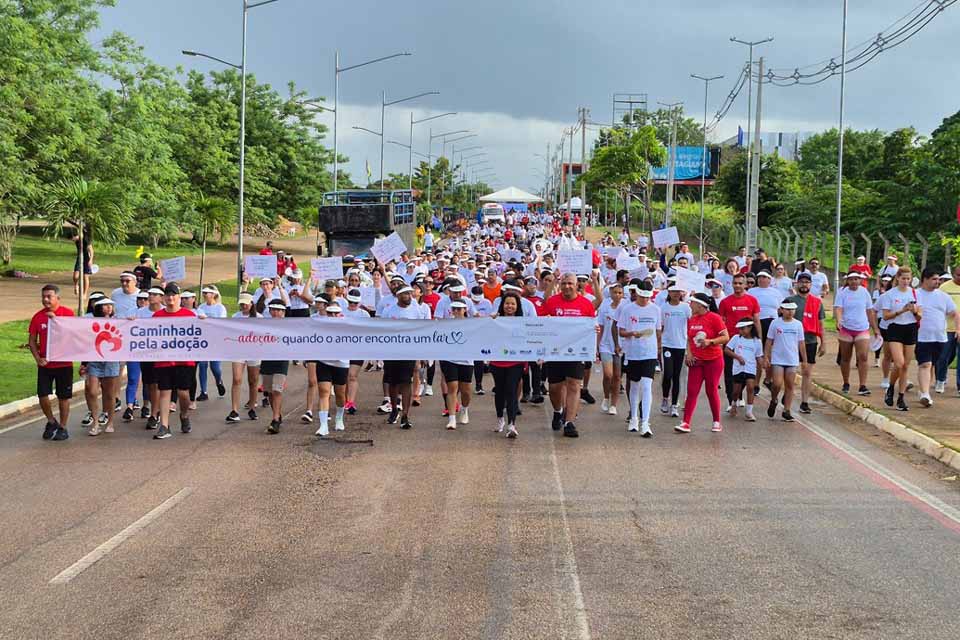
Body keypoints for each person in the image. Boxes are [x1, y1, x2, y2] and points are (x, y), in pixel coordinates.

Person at [543, 273, 597, 438]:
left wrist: (595, 330)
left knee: (574, 385)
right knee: (554, 388)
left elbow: (591, 325)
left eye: (570, 283)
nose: (567, 286)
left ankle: (569, 422)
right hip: (555, 352)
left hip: (576, 352)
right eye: (564, 283)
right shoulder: (552, 302)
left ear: (577, 285)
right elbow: (543, 319)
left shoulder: (586, 304)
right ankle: (558, 411)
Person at [676, 293, 728, 433]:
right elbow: (689, 339)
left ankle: (716, 421)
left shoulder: (714, 318)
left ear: (700, 305)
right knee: (692, 391)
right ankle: (685, 422)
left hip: (713, 360)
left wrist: (710, 342)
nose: (690, 305)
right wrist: (689, 354)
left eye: (692, 302)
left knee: (711, 390)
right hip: (697, 361)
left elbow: (725, 337)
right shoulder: (692, 320)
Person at [614, 284, 661, 436]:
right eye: (642, 297)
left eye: (648, 297)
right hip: (633, 353)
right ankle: (633, 417)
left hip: (650, 353)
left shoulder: (656, 309)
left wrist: (658, 350)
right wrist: (631, 333)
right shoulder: (627, 309)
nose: (645, 300)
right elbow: (620, 331)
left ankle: (645, 422)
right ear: (636, 294)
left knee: (647, 386)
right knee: (634, 386)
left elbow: (658, 331)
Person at [29, 284, 75, 441]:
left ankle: (63, 426)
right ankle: (51, 421)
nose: (46, 299)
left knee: (63, 396)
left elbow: (75, 335)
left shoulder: (67, 314)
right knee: (42, 394)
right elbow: (32, 340)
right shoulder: (38, 317)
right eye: (44, 296)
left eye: (49, 296)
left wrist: (58, 321)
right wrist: (37, 358)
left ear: (58, 298)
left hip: (63, 364)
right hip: (45, 364)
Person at [152, 283, 197, 440]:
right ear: (164, 298)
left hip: (184, 361)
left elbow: (199, 334)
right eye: (168, 295)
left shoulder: (189, 316)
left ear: (179, 297)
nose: (170, 298)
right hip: (164, 360)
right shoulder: (157, 317)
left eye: (174, 295)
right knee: (164, 391)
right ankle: (164, 425)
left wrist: (204, 321)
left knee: (183, 393)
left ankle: (184, 415)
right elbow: (146, 334)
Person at [915, 267, 957, 407]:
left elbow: (954, 313)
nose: (937, 282)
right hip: (921, 336)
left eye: (939, 279)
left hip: (940, 336)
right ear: (924, 279)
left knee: (931, 364)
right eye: (934, 279)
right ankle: (926, 394)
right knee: (925, 364)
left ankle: (923, 390)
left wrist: (958, 328)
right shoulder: (916, 294)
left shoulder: (943, 296)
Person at [879, 267, 920, 411]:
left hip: (910, 328)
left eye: (908, 279)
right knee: (899, 363)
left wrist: (915, 311)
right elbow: (885, 316)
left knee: (906, 366)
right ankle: (891, 387)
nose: (906, 281)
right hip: (895, 328)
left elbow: (920, 315)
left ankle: (901, 397)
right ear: (897, 278)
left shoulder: (915, 293)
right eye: (903, 278)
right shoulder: (889, 295)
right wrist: (902, 310)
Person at [380, 286, 421, 429]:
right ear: (398, 296)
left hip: (409, 351)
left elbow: (422, 330)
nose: (409, 296)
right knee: (392, 382)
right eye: (405, 294)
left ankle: (405, 415)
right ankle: (394, 409)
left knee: (406, 382)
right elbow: (382, 330)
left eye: (410, 293)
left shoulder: (416, 310)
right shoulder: (389, 310)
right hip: (391, 351)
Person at [718, 274, 761, 409]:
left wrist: (759, 338)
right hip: (731, 341)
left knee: (746, 372)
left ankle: (740, 396)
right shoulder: (725, 302)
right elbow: (721, 323)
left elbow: (756, 320)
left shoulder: (752, 300)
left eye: (740, 283)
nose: (737, 286)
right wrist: (720, 341)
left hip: (748, 342)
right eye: (735, 283)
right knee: (730, 372)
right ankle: (731, 401)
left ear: (745, 285)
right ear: (732, 284)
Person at [786, 273, 826, 414]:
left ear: (810, 284)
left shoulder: (817, 302)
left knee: (807, 372)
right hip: (791, 341)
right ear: (797, 283)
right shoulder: (790, 300)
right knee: (790, 371)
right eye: (801, 282)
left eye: (807, 282)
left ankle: (804, 402)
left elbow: (821, 323)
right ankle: (788, 394)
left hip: (810, 340)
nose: (804, 284)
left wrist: (823, 342)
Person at [833, 272, 878, 395]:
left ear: (860, 280)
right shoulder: (842, 293)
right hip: (846, 328)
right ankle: (846, 382)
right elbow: (839, 308)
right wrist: (839, 320)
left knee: (863, 356)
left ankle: (862, 385)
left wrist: (875, 328)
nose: (854, 282)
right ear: (848, 280)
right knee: (846, 357)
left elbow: (869, 311)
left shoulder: (864, 292)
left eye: (856, 279)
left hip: (862, 328)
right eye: (851, 279)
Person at [310, 304, 350, 436]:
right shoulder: (319, 326)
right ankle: (323, 426)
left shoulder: (347, 326)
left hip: (341, 363)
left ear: (340, 314)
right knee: (324, 391)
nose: (333, 316)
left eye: (336, 313)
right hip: (324, 361)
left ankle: (339, 417)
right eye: (330, 313)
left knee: (340, 394)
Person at [490, 293, 526, 438]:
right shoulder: (495, 320)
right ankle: (500, 419)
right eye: (507, 303)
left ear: (517, 307)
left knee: (511, 390)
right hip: (497, 361)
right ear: (502, 305)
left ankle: (512, 424)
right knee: (500, 391)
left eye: (512, 304)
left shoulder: (523, 322)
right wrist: (490, 322)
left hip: (516, 362)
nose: (509, 306)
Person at [84, 298, 121, 436]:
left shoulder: (118, 321)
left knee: (109, 394)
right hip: (94, 361)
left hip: (111, 361)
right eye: (105, 305)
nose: (109, 308)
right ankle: (95, 423)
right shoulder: (90, 322)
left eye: (110, 305)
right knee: (92, 391)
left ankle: (110, 421)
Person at [764, 301, 806, 422]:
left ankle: (786, 410)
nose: (790, 312)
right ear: (781, 310)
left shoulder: (798, 324)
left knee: (789, 385)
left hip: (792, 359)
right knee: (777, 384)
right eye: (787, 309)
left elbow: (801, 343)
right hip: (778, 358)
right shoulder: (775, 323)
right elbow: (769, 340)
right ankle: (774, 399)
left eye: (792, 310)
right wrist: (766, 356)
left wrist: (804, 360)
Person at [226, 293, 262, 423]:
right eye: (242, 303)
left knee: (253, 380)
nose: (244, 305)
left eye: (246, 303)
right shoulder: (236, 316)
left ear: (252, 303)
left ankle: (252, 407)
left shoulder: (259, 318)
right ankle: (234, 410)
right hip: (238, 350)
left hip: (254, 351)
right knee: (236, 379)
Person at [111, 271, 141, 421]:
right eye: (122, 280)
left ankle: (133, 397)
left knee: (134, 370)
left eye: (127, 281)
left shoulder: (141, 296)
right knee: (118, 368)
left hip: (135, 337)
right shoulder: (115, 294)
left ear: (134, 282)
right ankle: (116, 398)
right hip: (118, 335)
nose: (124, 283)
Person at [439, 300, 474, 430]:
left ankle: (464, 410)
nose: (456, 312)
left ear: (465, 310)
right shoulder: (446, 324)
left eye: (459, 309)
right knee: (452, 387)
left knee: (466, 390)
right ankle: (452, 418)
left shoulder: (472, 324)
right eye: (454, 309)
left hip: (466, 360)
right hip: (450, 359)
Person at [659, 285, 691, 418]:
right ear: (669, 292)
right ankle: (665, 398)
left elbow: (691, 325)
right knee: (668, 374)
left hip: (681, 345)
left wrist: (689, 347)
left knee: (677, 376)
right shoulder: (663, 307)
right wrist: (658, 344)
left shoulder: (685, 307)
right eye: (673, 291)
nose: (676, 294)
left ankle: (674, 405)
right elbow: (660, 327)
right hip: (667, 345)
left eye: (678, 291)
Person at [725, 320, 764, 421]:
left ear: (750, 328)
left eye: (743, 329)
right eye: (739, 329)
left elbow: (758, 356)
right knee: (736, 391)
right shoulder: (736, 338)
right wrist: (737, 357)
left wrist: (763, 363)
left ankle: (749, 412)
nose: (740, 331)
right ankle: (734, 404)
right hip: (738, 368)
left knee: (750, 387)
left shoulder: (757, 341)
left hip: (750, 368)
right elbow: (727, 350)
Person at [261, 301, 290, 434]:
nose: (275, 312)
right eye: (273, 309)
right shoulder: (264, 324)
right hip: (267, 360)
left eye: (278, 310)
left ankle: (275, 419)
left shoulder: (288, 326)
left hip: (281, 361)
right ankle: (277, 414)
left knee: (277, 389)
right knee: (270, 392)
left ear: (283, 312)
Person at [595, 281, 624, 415]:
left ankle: (613, 404)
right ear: (610, 293)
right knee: (608, 375)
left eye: (620, 293)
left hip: (620, 346)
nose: (617, 295)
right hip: (605, 345)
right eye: (615, 292)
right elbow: (599, 327)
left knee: (617, 376)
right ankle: (606, 397)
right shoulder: (604, 307)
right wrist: (596, 346)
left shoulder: (625, 307)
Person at [342, 289, 371, 414]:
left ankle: (350, 402)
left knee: (352, 375)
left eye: (355, 303)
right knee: (344, 377)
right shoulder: (341, 312)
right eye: (351, 302)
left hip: (358, 349)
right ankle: (344, 401)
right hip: (342, 348)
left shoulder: (364, 314)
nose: (353, 305)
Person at [196, 285, 228, 401]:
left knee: (215, 367)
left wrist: (207, 320)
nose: (205, 295)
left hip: (215, 341)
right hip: (203, 340)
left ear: (214, 294)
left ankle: (219, 380)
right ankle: (203, 391)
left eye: (207, 293)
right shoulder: (201, 307)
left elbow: (221, 323)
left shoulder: (220, 308)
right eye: (204, 292)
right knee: (203, 365)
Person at [935, 265, 960, 394]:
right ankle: (940, 379)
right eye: (958, 275)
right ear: (954, 275)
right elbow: (939, 306)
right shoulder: (944, 288)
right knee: (944, 356)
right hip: (948, 328)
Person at [72, 227, 93, 297]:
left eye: (73, 237)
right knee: (75, 276)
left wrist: (90, 260)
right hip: (80, 257)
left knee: (85, 276)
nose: (73, 239)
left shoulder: (86, 240)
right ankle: (76, 285)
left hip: (87, 258)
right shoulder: (77, 240)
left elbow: (91, 250)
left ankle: (85, 293)